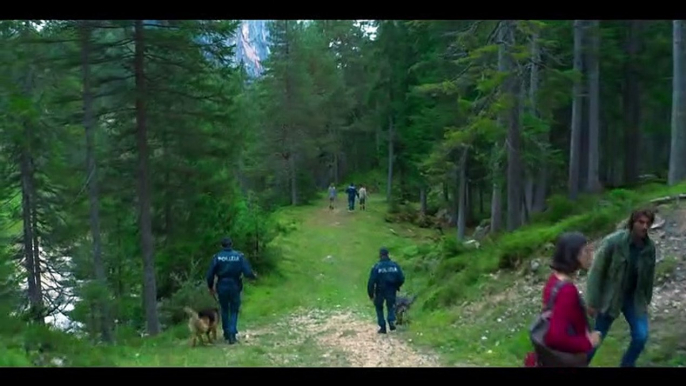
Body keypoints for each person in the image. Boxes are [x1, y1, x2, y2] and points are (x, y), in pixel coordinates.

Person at [585, 209, 657, 367]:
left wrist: (646, 299)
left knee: (641, 336)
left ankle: (627, 364)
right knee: (595, 337)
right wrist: (592, 301)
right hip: (610, 296)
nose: (644, 227)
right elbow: (596, 272)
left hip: (634, 298)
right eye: (641, 222)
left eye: (648, 223)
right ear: (633, 223)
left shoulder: (649, 248)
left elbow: (649, 275)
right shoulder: (613, 242)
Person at [525, 231, 602, 367]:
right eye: (586, 251)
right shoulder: (567, 290)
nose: (590, 256)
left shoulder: (554, 280)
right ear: (573, 255)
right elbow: (555, 338)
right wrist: (587, 342)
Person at [206, 237, 257, 344]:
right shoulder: (239, 256)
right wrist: (254, 277)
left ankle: (226, 333)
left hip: (222, 285)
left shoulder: (217, 257)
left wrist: (210, 287)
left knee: (224, 309)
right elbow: (247, 272)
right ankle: (232, 334)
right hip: (235, 285)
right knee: (234, 310)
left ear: (221, 246)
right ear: (231, 244)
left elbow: (210, 274)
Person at [367, 247, 405, 334]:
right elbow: (401, 278)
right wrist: (397, 285)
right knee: (391, 306)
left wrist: (371, 294)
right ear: (388, 255)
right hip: (391, 289)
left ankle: (382, 326)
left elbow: (371, 282)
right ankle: (391, 321)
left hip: (380, 290)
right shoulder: (395, 266)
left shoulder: (377, 267)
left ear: (380, 255)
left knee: (379, 307)